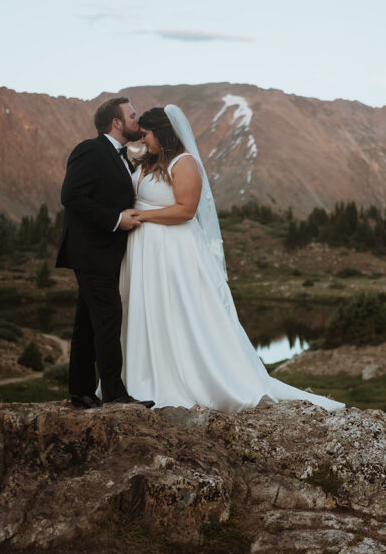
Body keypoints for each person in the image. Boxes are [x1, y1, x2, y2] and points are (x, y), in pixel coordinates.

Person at [119, 105, 343, 413]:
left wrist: (142, 214)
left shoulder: (184, 163)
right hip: (144, 251)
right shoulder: (148, 160)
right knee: (148, 310)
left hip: (172, 252)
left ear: (163, 132)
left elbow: (186, 210)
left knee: (176, 313)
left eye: (146, 134)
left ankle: (185, 380)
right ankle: (142, 377)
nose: (143, 140)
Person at [56, 97, 154, 409]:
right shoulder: (90, 150)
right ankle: (114, 394)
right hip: (91, 251)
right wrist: (116, 220)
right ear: (116, 122)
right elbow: (71, 196)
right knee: (109, 317)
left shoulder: (122, 157)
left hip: (105, 253)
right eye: (132, 115)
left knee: (86, 322)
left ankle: (82, 392)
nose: (136, 121)